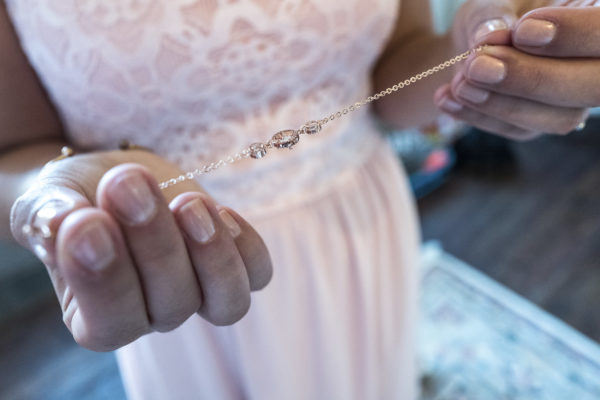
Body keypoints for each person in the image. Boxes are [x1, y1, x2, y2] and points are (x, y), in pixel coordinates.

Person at [0, 0, 597, 398]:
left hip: (356, 226)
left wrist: (472, 62)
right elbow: (15, 150)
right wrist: (55, 198)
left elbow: (395, 70)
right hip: (172, 270)